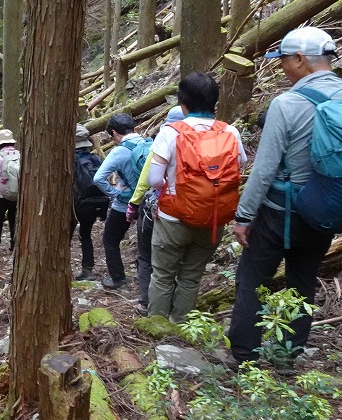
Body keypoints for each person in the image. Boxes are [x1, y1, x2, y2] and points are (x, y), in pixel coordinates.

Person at [227, 26, 342, 370]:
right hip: (325, 210)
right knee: (302, 281)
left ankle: (244, 356)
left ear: (300, 59)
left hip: (280, 212)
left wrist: (244, 216)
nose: (281, 67)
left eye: (283, 60)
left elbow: (264, 169)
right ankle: (286, 357)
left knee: (252, 279)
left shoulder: (287, 104)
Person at [145, 74, 246, 323]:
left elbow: (154, 179)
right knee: (191, 277)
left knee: (163, 276)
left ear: (183, 103)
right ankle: (181, 325)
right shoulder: (230, 132)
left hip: (173, 217)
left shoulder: (170, 133)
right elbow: (239, 166)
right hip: (212, 218)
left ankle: (157, 327)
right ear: (215, 101)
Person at [125, 106, 186, 310]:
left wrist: (133, 204)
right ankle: (178, 308)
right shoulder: (203, 140)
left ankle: (146, 302)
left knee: (146, 256)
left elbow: (147, 179)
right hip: (193, 209)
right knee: (179, 261)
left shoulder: (164, 138)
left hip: (159, 208)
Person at [93, 113, 148, 289]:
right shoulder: (147, 142)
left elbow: (98, 178)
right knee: (146, 244)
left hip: (126, 203)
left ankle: (117, 278)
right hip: (149, 201)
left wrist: (114, 193)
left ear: (115, 133)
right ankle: (147, 281)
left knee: (110, 239)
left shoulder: (119, 151)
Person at [70, 124, 108, 281]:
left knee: (65, 236)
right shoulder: (95, 159)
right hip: (95, 203)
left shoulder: (70, 160)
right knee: (85, 234)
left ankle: (63, 268)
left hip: (75, 205)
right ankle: (88, 269)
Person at [0, 128, 20, 253]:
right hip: (17, 193)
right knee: (14, 219)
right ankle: (14, 243)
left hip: (1, 195)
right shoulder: (19, 155)